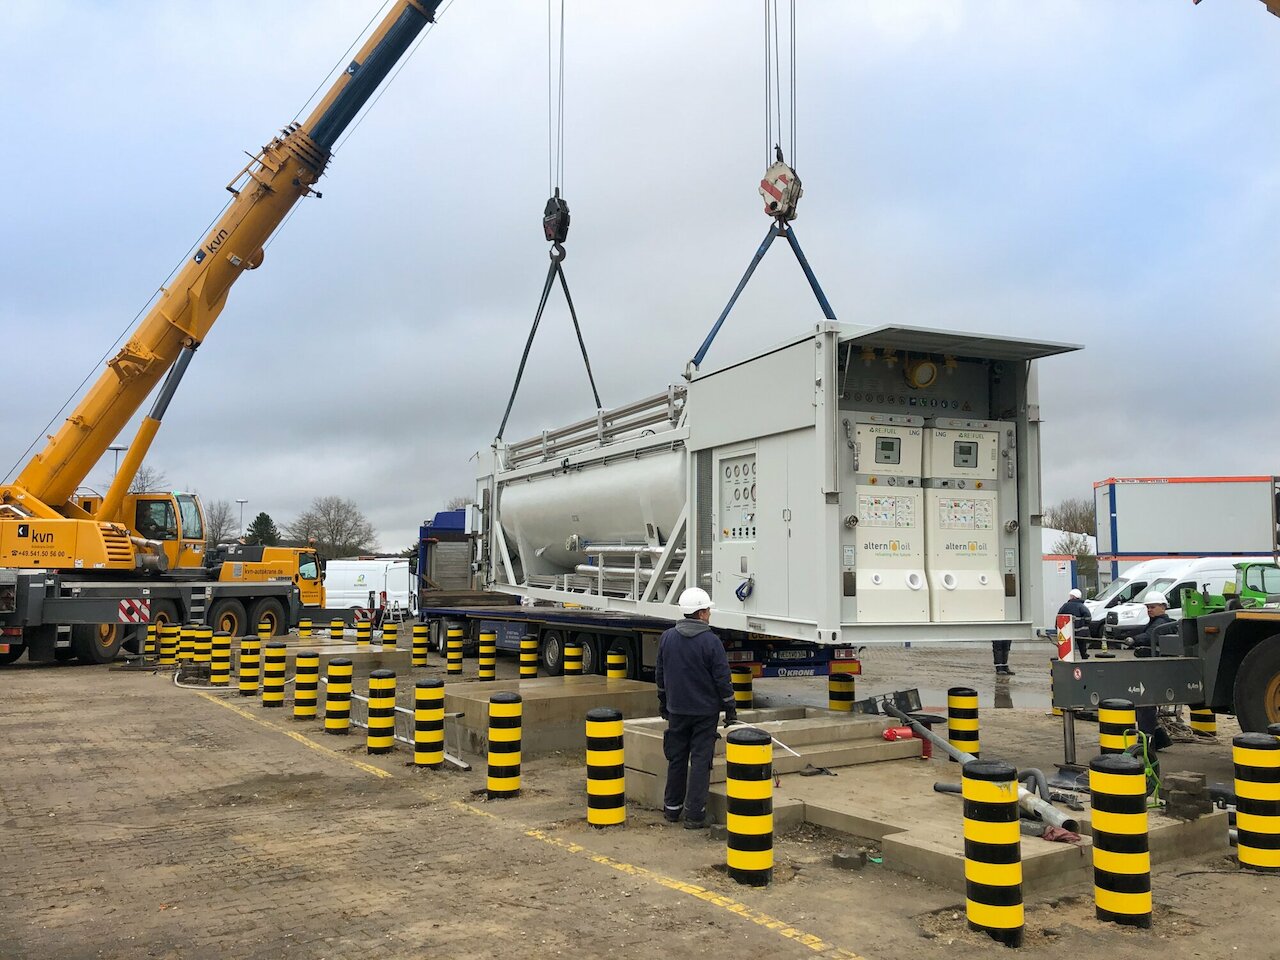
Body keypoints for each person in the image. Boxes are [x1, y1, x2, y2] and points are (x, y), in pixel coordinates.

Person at [655, 587, 736, 829]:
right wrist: (730, 708)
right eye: (708, 610)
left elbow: (661, 674)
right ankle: (694, 814)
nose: (710, 614)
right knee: (701, 761)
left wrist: (663, 702)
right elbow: (722, 678)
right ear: (701, 613)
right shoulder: (711, 641)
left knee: (676, 758)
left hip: (677, 710)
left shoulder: (668, 637)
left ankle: (672, 809)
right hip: (704, 712)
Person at [1132, 590, 1174, 751]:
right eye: (1148, 607)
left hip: (1158, 671)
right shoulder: (1156, 622)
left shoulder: (1162, 623)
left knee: (1145, 704)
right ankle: (1160, 739)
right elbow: (1144, 631)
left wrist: (1134, 639)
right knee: (1145, 705)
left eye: (1153, 607)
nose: (1149, 610)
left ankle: (1147, 744)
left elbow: (1149, 635)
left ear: (1163, 607)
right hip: (1154, 668)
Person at [1057, 587, 1093, 658]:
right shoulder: (1082, 606)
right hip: (1081, 631)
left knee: (1067, 644)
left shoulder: (1065, 606)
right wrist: (1085, 624)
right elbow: (1088, 617)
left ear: (1073, 596)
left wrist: (1057, 627)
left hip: (1067, 630)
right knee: (1082, 644)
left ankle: (1067, 656)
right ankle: (1084, 655)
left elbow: (1059, 616)